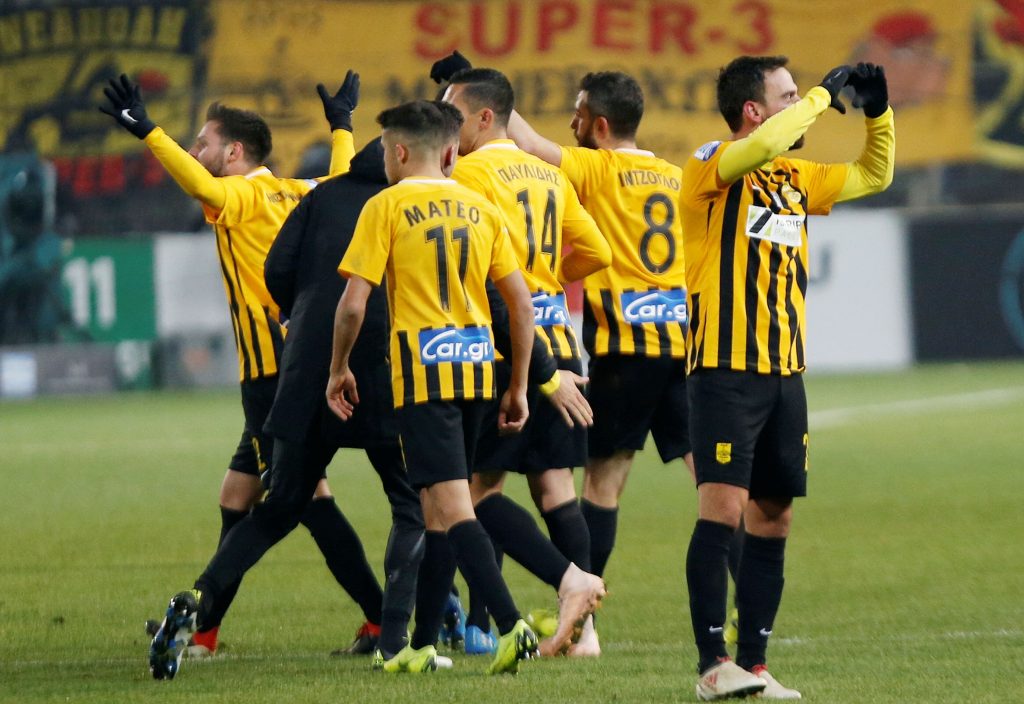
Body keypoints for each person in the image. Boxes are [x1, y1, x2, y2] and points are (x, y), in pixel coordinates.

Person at [100, 72, 387, 678]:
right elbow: (342, 179)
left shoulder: (243, 197)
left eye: (203, 142)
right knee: (239, 495)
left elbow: (200, 183)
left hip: (273, 376)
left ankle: (379, 616)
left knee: (301, 500)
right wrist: (342, 126)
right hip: (298, 368)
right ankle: (207, 631)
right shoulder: (298, 190)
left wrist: (147, 131)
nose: (196, 149)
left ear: (234, 153)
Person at [327, 99, 574, 675]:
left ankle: (511, 625)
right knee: (437, 512)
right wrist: (519, 386)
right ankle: (419, 644)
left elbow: (353, 305)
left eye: (384, 150)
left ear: (400, 151)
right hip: (478, 374)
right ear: (449, 152)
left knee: (455, 508)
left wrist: (338, 368)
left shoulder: (385, 205)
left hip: (424, 377)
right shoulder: (480, 206)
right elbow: (520, 306)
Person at [678, 58, 894, 699]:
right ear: (753, 109)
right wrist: (823, 97)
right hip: (725, 368)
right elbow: (764, 143)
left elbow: (875, 173)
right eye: (789, 95)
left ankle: (755, 665)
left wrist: (879, 114)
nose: (802, 104)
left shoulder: (796, 179)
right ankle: (712, 665)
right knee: (722, 512)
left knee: (773, 518)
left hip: (784, 372)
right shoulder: (712, 162)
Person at [501, 66, 694, 654]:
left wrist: (478, 88)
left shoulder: (597, 167)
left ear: (601, 125)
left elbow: (527, 142)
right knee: (717, 486)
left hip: (625, 350)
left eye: (579, 115)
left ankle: (584, 621)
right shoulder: (675, 175)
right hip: (683, 346)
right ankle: (747, 614)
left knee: (603, 485)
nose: (572, 123)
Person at [437, 65, 610, 658]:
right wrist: (546, 282)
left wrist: (516, 299)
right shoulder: (549, 174)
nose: (449, 129)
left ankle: (508, 611)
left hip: (505, 347)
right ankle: (585, 633)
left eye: (455, 116)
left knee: (475, 493)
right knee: (556, 487)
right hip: (560, 341)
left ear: (486, 117)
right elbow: (598, 250)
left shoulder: (467, 174)